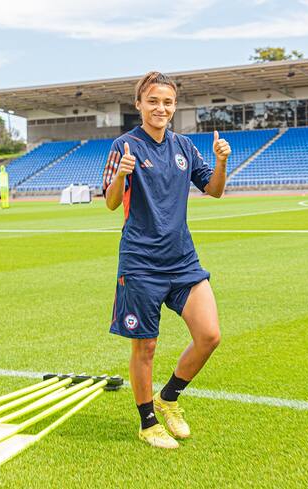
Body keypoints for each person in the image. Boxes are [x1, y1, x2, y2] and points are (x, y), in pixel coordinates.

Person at [102, 71, 231, 449]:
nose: (161, 108)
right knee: (145, 347)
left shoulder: (185, 146)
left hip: (183, 261)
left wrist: (221, 161)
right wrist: (120, 177)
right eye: (153, 101)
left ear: (174, 107)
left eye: (168, 102)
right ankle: (148, 422)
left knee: (209, 335)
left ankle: (169, 397)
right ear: (139, 104)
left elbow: (215, 190)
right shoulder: (124, 146)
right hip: (141, 261)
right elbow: (110, 203)